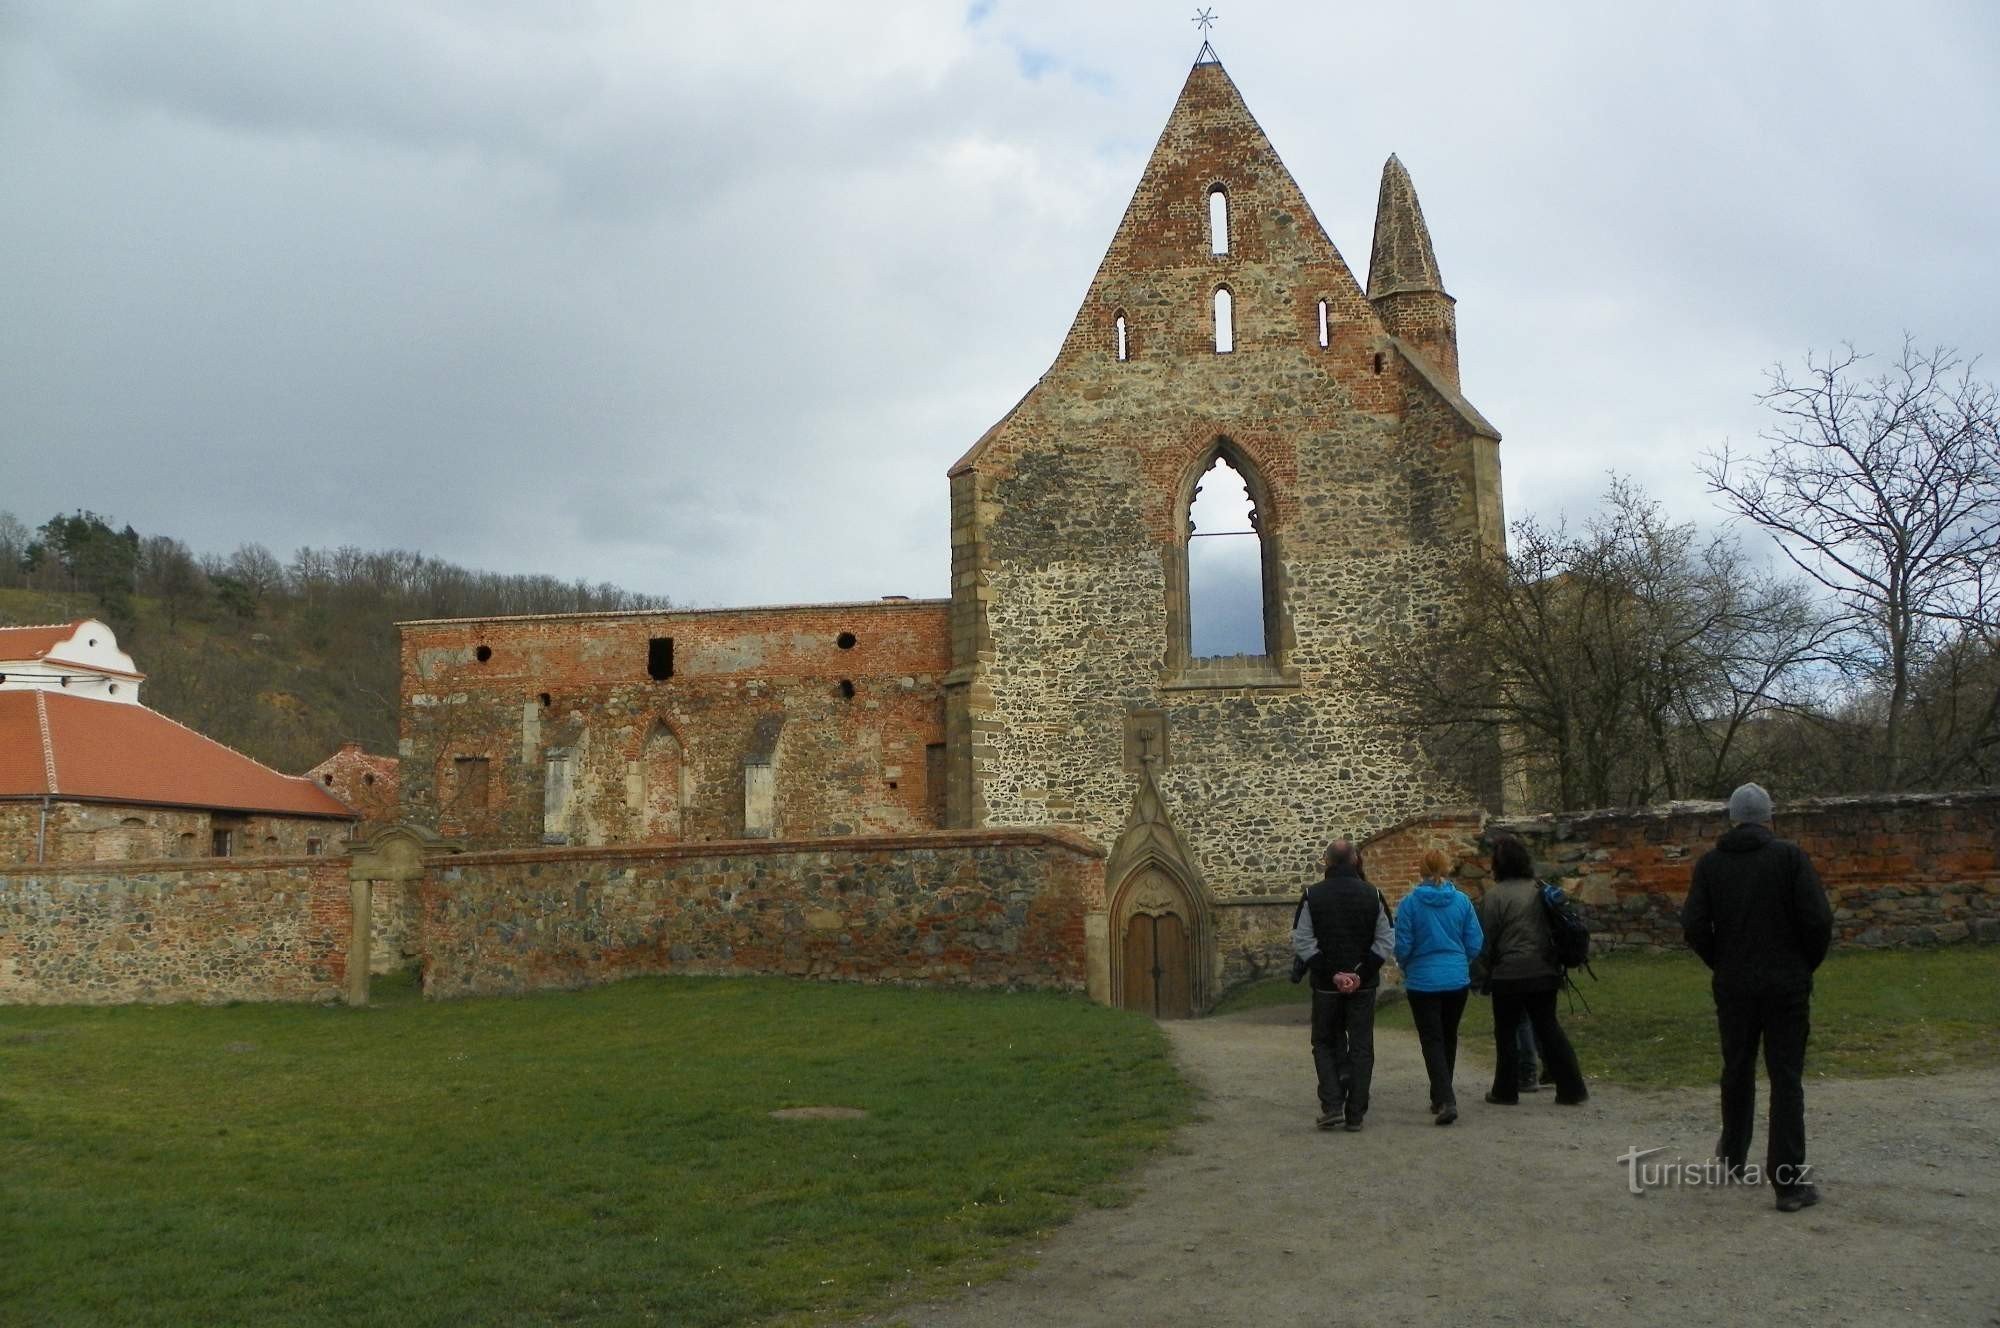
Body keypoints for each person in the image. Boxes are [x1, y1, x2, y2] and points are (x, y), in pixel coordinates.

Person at [1681, 782, 1833, 1213]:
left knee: (1737, 1067)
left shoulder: (1711, 864)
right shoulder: (1789, 858)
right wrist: (1804, 965)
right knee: (1786, 1078)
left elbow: (1694, 924)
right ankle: (1788, 1182)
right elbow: (1818, 920)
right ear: (1769, 818)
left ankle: (1732, 1154)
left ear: (1732, 819)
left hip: (1734, 984)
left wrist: (1721, 961)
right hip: (1786, 983)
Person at [1471, 832, 1588, 1106]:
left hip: (1508, 974)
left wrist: (1480, 976)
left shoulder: (1494, 897)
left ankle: (1505, 1090)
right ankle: (1572, 1088)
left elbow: (1484, 940)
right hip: (1544, 971)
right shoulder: (1540, 889)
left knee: (1506, 1032)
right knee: (1549, 1028)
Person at [1292, 839, 1393, 1131]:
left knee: (1325, 1042)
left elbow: (1303, 939)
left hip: (1326, 986)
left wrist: (1332, 973)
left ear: (1328, 862)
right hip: (1363, 986)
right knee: (1361, 1046)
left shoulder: (1313, 895)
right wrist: (1360, 973)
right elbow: (1386, 939)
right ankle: (1356, 1113)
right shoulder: (1372, 894)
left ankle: (1333, 1103)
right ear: (1355, 861)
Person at [1393, 846, 1483, 1125]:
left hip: (1422, 980)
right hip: (1456, 978)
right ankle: (1440, 1094)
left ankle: (1445, 1098)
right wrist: (1461, 960)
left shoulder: (1410, 904)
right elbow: (1475, 941)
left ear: (1421, 871)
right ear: (1446, 869)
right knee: (1448, 1036)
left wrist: (1407, 964)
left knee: (1431, 1039)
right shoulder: (1462, 902)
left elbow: (1403, 944)